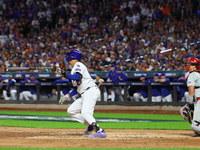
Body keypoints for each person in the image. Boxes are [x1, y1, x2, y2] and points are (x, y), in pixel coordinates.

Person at [56, 49, 106, 138]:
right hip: (84, 93)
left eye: (69, 54)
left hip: (90, 91)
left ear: (73, 56)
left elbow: (77, 76)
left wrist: (64, 74)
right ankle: (90, 125)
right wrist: (67, 96)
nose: (67, 56)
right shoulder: (73, 69)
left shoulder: (78, 65)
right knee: (71, 111)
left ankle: (100, 131)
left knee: (86, 112)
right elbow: (77, 88)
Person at [180, 58, 200, 136]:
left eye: (191, 64)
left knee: (194, 126)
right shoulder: (197, 74)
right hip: (197, 100)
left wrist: (190, 102)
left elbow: (191, 89)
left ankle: (197, 126)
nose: (189, 66)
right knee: (184, 110)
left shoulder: (192, 74)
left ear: (195, 66)